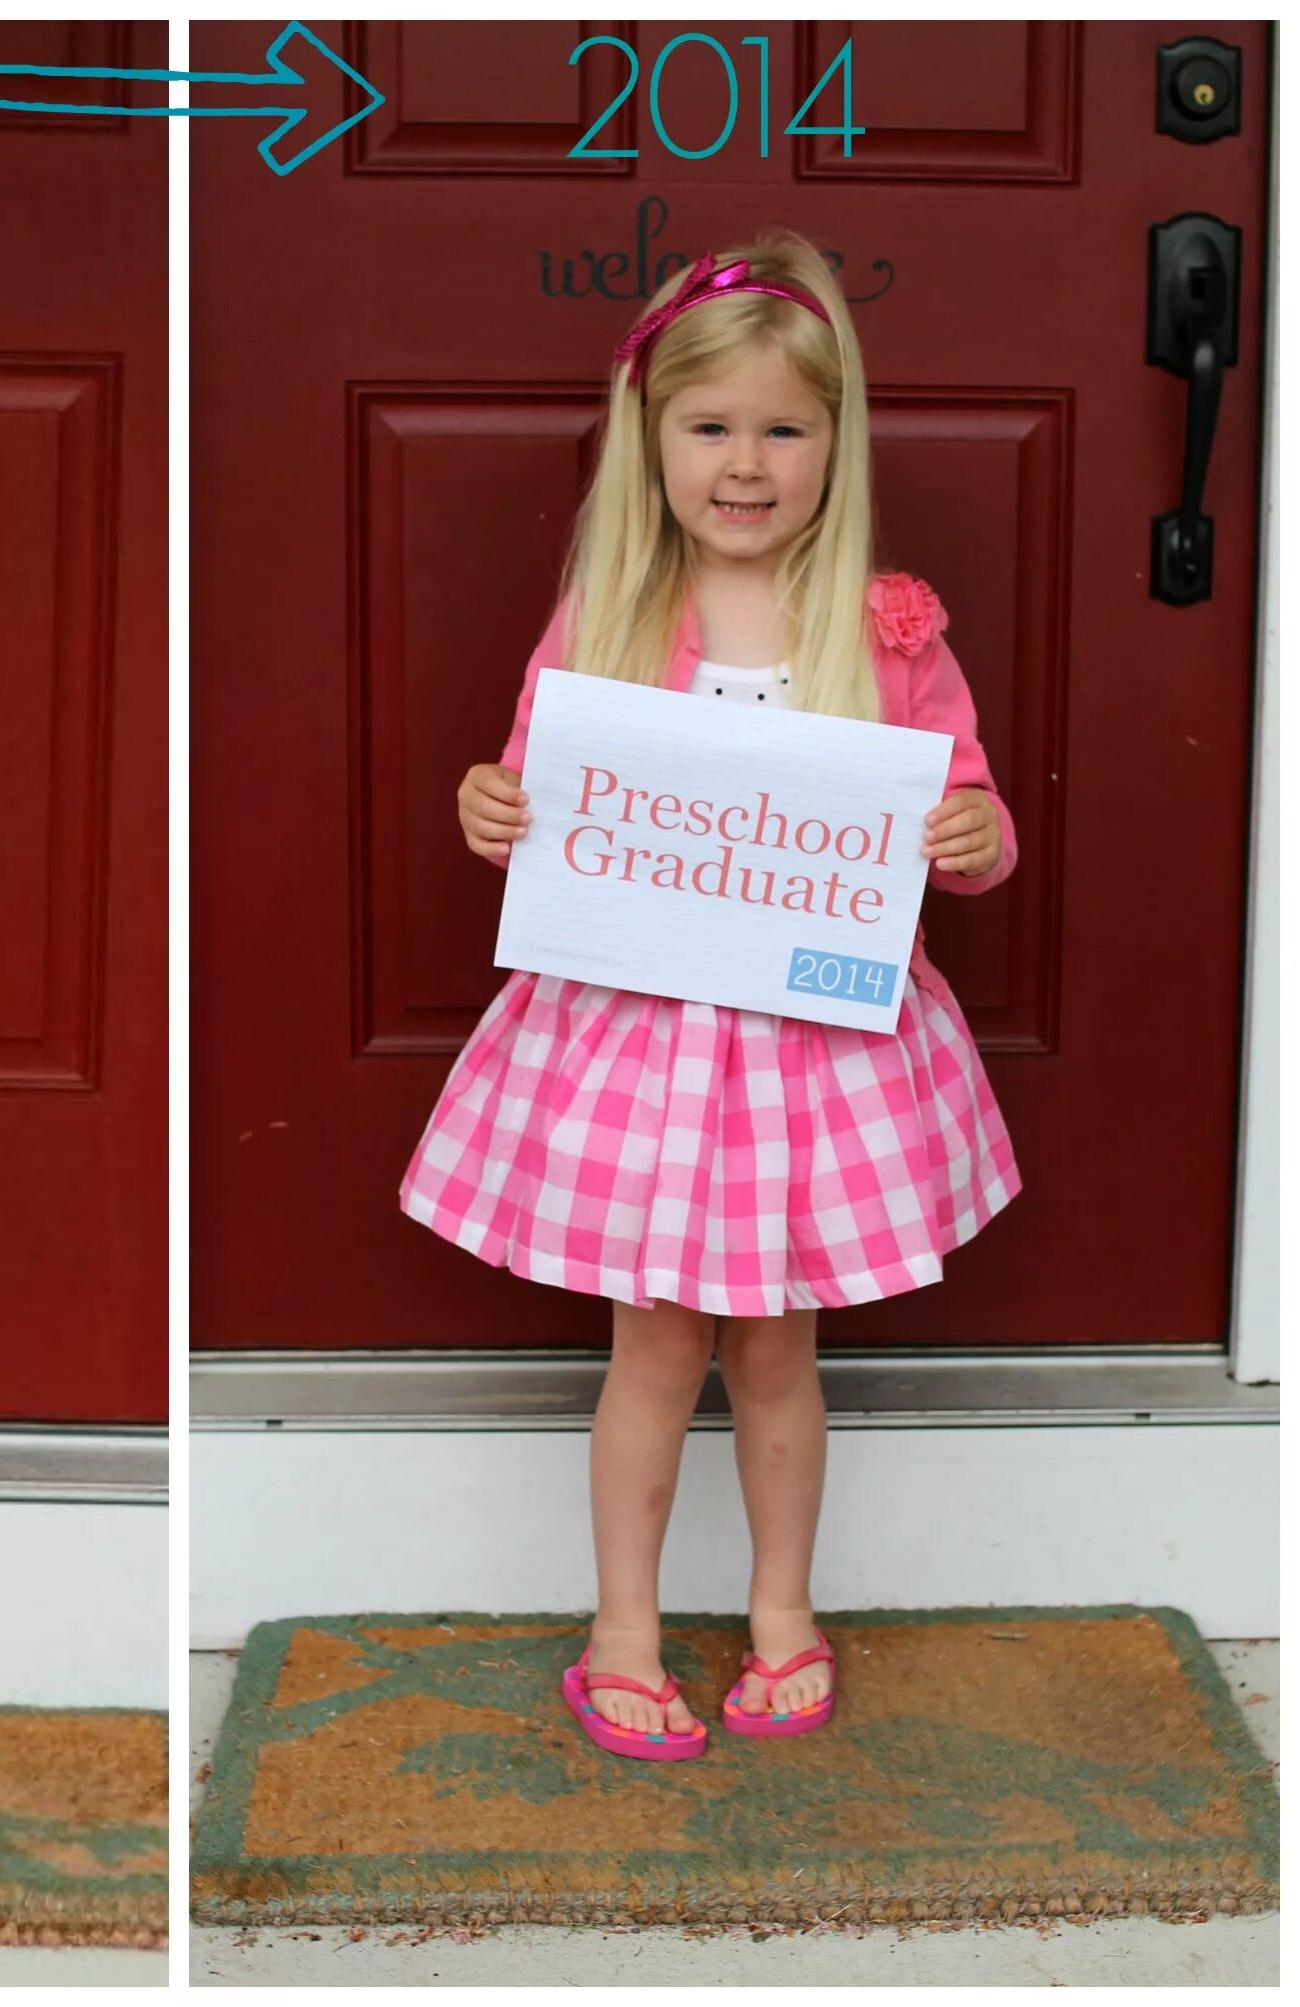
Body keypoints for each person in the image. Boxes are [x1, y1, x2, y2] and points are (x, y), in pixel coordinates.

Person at [398, 233, 1020, 1761]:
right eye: (712, 427)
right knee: (654, 1349)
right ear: (653, 438)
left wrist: (973, 835)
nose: (747, 465)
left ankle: (783, 1611)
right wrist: (493, 807)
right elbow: (541, 795)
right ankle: (622, 1624)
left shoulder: (888, 631)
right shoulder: (609, 611)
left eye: (784, 430)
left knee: (779, 1352)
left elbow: (972, 819)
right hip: (643, 1048)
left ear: (835, 443)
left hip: (814, 1049)